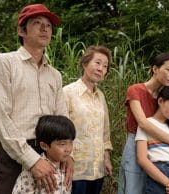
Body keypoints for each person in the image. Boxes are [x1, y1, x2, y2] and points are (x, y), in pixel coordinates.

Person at [0, 4, 73, 194]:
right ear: (21, 30)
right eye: (37, 23)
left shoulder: (55, 75)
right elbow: (0, 118)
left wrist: (68, 155)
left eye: (48, 25)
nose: (44, 28)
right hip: (14, 154)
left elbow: (62, 118)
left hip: (52, 151)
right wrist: (32, 161)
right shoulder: (3, 63)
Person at [118, 52, 169, 194]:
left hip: (161, 147)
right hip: (138, 141)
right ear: (155, 69)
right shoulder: (136, 90)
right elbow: (143, 123)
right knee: (134, 187)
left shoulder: (166, 95)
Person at [63, 45, 113, 194]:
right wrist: (67, 158)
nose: (101, 68)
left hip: (97, 168)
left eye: (105, 66)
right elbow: (62, 131)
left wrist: (106, 158)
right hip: (75, 168)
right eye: (97, 63)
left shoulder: (101, 96)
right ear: (85, 64)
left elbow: (105, 131)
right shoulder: (68, 92)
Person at [12, 115, 76, 194]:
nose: (68, 149)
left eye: (71, 143)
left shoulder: (65, 168)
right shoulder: (33, 172)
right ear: (44, 146)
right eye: (62, 144)